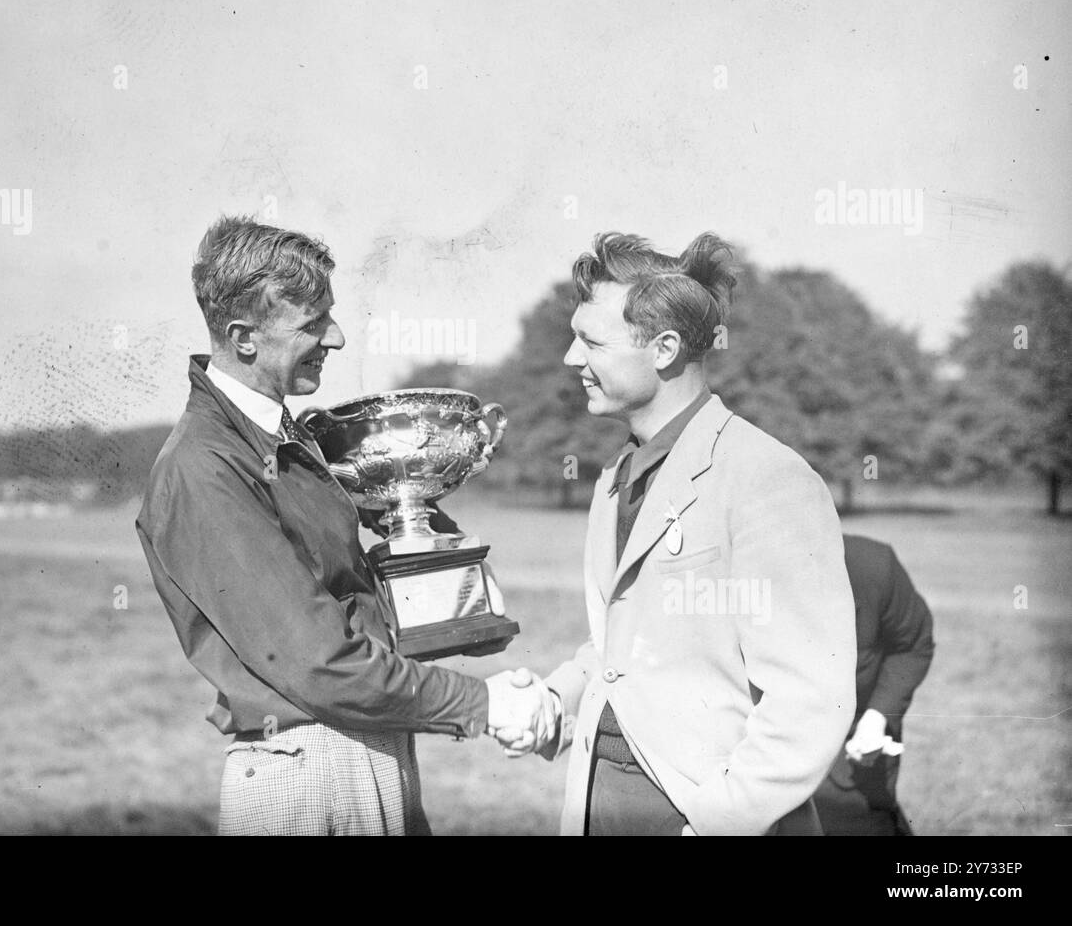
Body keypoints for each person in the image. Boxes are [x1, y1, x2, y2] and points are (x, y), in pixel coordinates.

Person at [135, 215, 543, 836]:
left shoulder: (282, 441)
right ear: (244, 337)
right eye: (313, 323)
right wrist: (481, 704)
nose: (338, 338)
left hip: (362, 750)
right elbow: (319, 664)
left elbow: (358, 608)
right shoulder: (204, 467)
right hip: (309, 771)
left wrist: (443, 566)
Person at [497, 231, 857, 836]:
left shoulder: (769, 478)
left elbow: (811, 699)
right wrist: (553, 705)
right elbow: (622, 652)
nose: (569, 358)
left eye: (590, 341)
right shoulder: (615, 475)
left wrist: (717, 825)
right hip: (600, 804)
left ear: (664, 349)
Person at [815, 534, 935, 836]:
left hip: (854, 755)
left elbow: (913, 643)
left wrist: (877, 716)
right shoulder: (748, 573)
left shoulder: (875, 565)